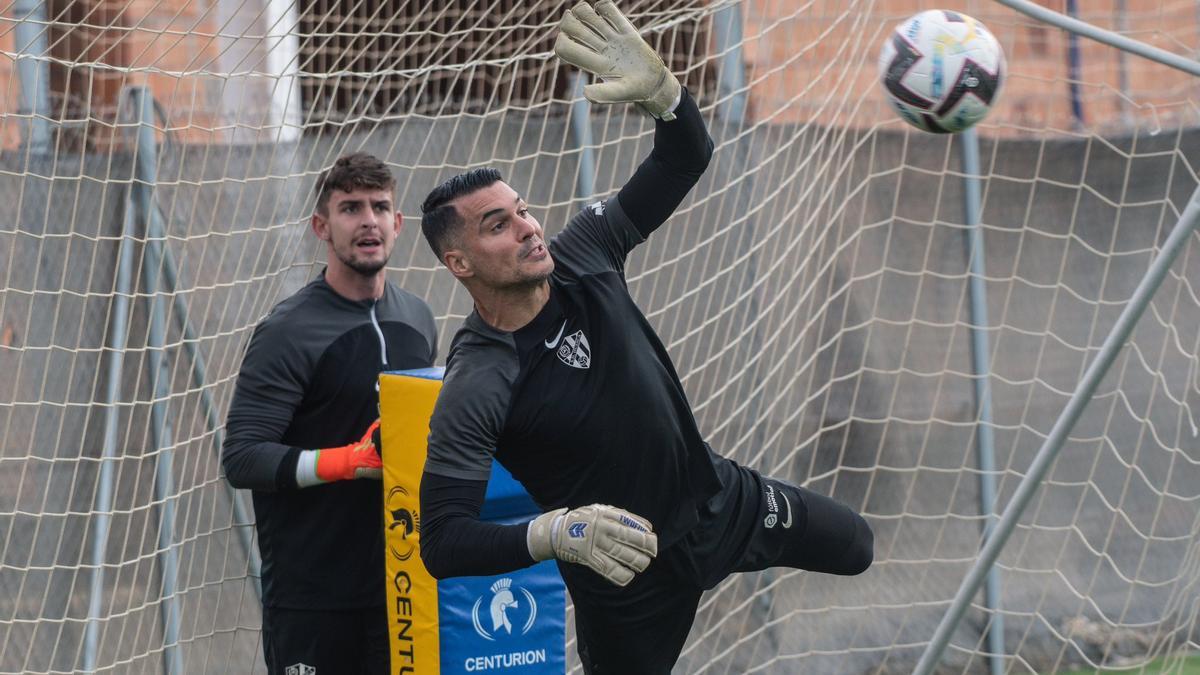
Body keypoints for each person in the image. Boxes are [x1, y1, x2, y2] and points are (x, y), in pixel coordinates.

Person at [416, 2, 873, 672]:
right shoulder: (480, 379)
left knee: (856, 544)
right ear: (460, 263)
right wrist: (553, 532)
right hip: (626, 573)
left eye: (523, 210)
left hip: (722, 502)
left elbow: (686, 152)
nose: (528, 227)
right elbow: (441, 541)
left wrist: (666, 96)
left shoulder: (587, 249)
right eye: (498, 226)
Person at [222, 152, 438, 674]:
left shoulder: (419, 318)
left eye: (380, 206)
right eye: (350, 208)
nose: (368, 219)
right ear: (322, 226)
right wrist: (344, 462)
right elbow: (243, 458)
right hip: (313, 598)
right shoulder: (288, 331)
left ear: (398, 224)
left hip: (407, 589)